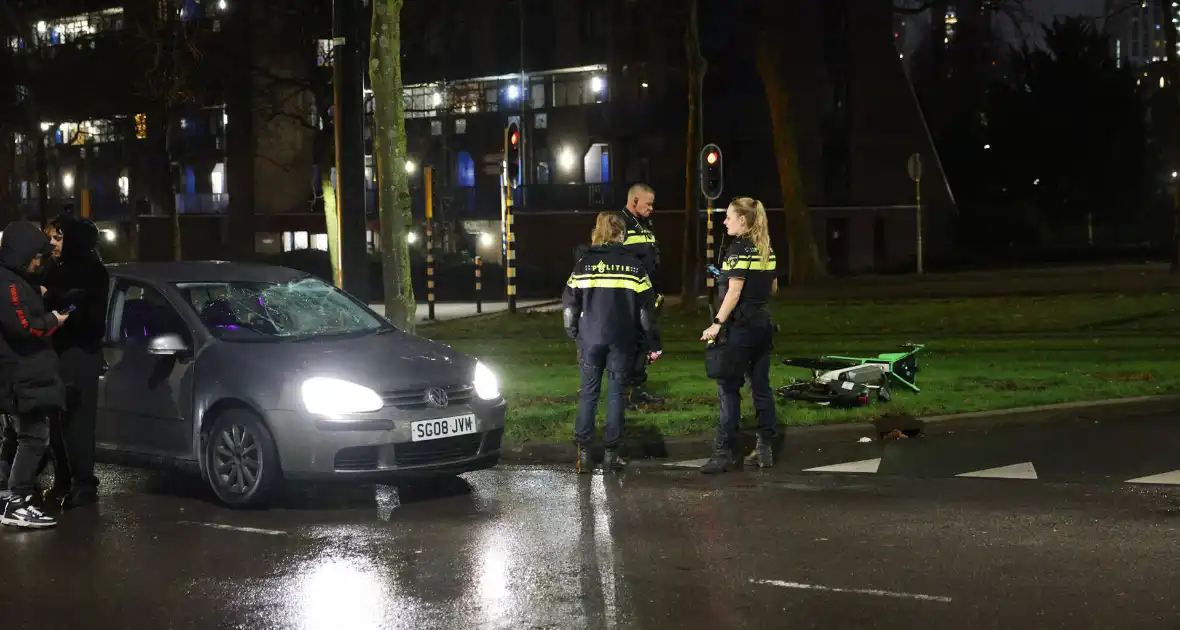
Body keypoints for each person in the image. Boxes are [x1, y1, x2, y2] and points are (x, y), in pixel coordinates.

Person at [563, 212, 660, 473]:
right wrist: (653, 343)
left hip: (590, 339)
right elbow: (645, 312)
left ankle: (583, 455)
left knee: (589, 393)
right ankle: (611, 455)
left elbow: (570, 306)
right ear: (621, 234)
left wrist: (573, 331)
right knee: (617, 395)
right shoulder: (633, 265)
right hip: (622, 340)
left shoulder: (583, 264)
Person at [698, 197, 780, 474]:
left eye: (729, 217)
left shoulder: (738, 248)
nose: (725, 221)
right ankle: (765, 449)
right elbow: (773, 289)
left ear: (743, 220)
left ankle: (725, 454)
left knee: (728, 388)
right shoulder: (767, 249)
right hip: (763, 325)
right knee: (761, 387)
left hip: (741, 327)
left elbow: (734, 291)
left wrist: (717, 323)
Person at [0, 220, 70, 528]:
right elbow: (25, 325)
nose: (39, 261)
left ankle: (8, 496)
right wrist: (54, 319)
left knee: (17, 437)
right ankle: (18, 501)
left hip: (25, 374)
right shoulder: (9, 284)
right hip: (23, 375)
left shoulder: (16, 280)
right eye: (36, 255)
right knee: (34, 437)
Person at [41, 215, 108, 509]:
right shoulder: (55, 270)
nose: (53, 243)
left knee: (76, 422)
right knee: (56, 422)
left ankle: (83, 483)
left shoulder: (92, 272)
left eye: (59, 237)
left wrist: (51, 298)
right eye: (51, 238)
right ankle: (63, 479)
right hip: (57, 353)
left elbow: (80, 312)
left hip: (79, 354)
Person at [617, 183, 665, 407]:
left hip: (647, 295)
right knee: (630, 346)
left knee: (643, 346)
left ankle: (636, 391)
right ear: (634, 201)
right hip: (629, 299)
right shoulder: (620, 224)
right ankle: (625, 395)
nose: (651, 208)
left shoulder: (645, 224)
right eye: (648, 204)